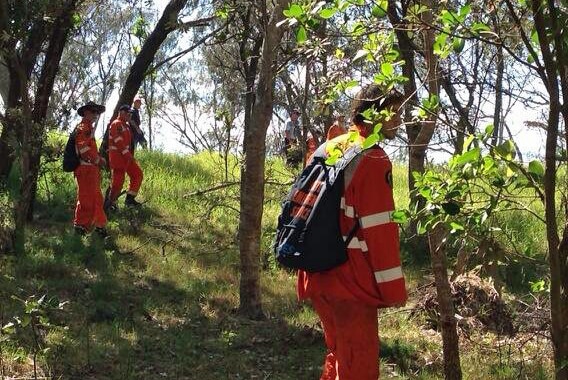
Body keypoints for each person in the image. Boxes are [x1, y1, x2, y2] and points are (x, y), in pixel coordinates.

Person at [297, 84, 408, 380]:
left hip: (316, 272)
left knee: (337, 355)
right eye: (394, 111)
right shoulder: (373, 157)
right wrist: (393, 289)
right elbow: (380, 229)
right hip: (349, 280)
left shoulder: (330, 146)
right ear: (375, 113)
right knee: (358, 367)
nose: (399, 119)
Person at [72, 101, 108, 237]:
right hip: (86, 169)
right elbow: (84, 150)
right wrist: (99, 160)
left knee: (90, 198)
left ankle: (82, 227)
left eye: (97, 113)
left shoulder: (87, 128)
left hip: (89, 170)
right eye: (93, 112)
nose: (96, 115)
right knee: (92, 198)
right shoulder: (83, 128)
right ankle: (98, 228)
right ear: (86, 112)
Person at [107, 104, 144, 209]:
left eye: (130, 114)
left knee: (137, 174)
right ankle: (111, 204)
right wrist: (127, 154)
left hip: (127, 158)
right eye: (128, 113)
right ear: (121, 112)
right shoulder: (116, 124)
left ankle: (130, 200)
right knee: (118, 181)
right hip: (118, 158)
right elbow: (118, 141)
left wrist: (129, 156)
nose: (129, 116)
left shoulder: (126, 126)